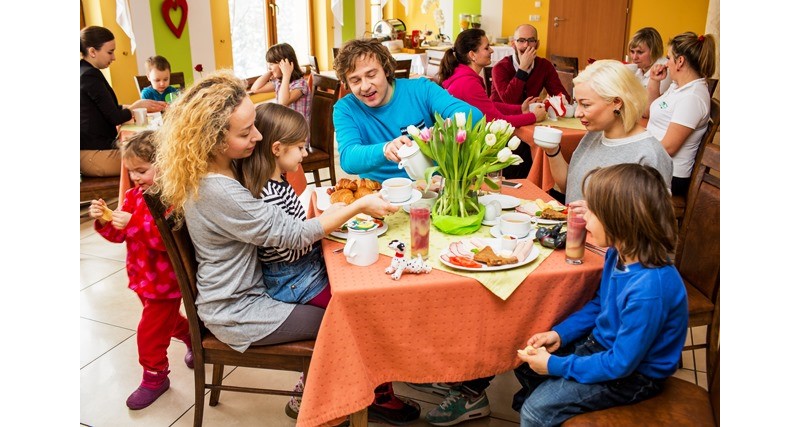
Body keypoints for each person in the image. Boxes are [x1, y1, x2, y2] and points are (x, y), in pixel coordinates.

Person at [153, 70, 418, 426]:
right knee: (353, 322)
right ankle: (333, 407)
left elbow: (274, 142)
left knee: (352, 302)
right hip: (239, 309)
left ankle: (335, 392)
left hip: (256, 289)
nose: (258, 137)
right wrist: (355, 206)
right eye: (246, 133)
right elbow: (292, 235)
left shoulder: (223, 165)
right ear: (214, 139)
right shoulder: (218, 190)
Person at [513, 163, 688, 426]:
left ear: (619, 220)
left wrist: (554, 366)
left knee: (535, 411)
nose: (585, 219)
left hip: (634, 376)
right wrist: (560, 334)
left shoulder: (649, 290)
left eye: (592, 212)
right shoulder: (618, 254)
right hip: (603, 346)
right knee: (526, 365)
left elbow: (621, 364)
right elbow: (600, 305)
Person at [88, 130, 192, 410]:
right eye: (131, 172)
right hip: (142, 278)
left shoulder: (172, 198)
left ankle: (155, 377)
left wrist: (132, 223)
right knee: (166, 323)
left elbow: (166, 241)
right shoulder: (134, 196)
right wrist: (106, 220)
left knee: (149, 333)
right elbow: (118, 236)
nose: (135, 178)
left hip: (166, 283)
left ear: (165, 164)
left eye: (142, 171)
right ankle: (193, 337)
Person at [332, 38, 483, 183]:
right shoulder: (345, 109)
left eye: (371, 75)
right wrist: (385, 149)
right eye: (355, 80)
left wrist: (446, 129)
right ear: (347, 83)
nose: (365, 86)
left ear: (385, 70)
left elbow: (474, 115)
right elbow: (348, 158)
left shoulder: (421, 89)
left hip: (431, 185)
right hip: (380, 193)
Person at [543, 59, 672, 204]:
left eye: (585, 105)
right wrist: (552, 150)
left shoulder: (650, 154)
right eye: (577, 103)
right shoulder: (594, 135)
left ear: (617, 102)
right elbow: (570, 187)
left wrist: (595, 214)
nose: (578, 113)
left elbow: (651, 221)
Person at [440, 28, 546, 180]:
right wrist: (532, 117)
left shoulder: (463, 75)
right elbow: (496, 120)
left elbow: (488, 105)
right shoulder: (468, 83)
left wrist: (520, 109)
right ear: (472, 55)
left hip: (467, 143)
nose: (491, 51)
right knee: (524, 148)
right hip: (468, 152)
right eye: (486, 47)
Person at [80, 26, 165, 177]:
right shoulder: (89, 77)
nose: (114, 57)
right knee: (154, 158)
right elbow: (114, 117)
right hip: (94, 155)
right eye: (110, 52)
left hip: (92, 150)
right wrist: (135, 107)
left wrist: (133, 106)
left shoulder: (85, 72)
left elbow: (105, 109)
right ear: (92, 52)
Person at [646, 32, 716, 197]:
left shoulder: (692, 97)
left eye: (669, 58)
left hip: (669, 175)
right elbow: (650, 111)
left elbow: (669, 147)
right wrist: (654, 81)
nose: (666, 63)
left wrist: (635, 151)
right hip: (656, 164)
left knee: (609, 175)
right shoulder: (679, 86)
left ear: (680, 61)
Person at [490, 24, 571, 105]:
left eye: (531, 40)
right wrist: (522, 69)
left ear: (537, 44)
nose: (526, 45)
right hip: (501, 115)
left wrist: (547, 103)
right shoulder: (500, 67)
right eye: (521, 40)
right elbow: (509, 101)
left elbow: (564, 98)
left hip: (530, 115)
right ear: (513, 44)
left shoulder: (545, 66)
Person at [249, 43, 311, 124]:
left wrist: (286, 74)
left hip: (297, 133)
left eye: (271, 64)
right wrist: (270, 72)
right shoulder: (279, 82)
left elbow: (283, 102)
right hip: (285, 127)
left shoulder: (301, 85)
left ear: (285, 64)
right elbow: (255, 89)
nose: (269, 67)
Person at [628, 27, 672, 95]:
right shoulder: (638, 67)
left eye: (640, 52)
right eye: (632, 51)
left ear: (654, 51)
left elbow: (650, 102)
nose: (634, 57)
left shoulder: (665, 69)